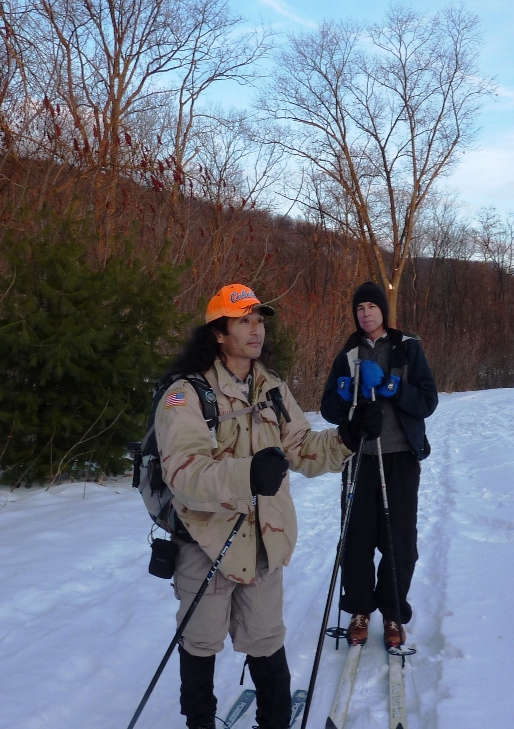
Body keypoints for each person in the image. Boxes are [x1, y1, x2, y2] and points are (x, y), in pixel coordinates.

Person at [154, 283, 383, 729]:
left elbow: (301, 447)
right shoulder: (186, 394)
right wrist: (246, 474)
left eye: (259, 320)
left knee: (266, 642)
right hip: (206, 542)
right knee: (199, 645)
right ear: (219, 332)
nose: (256, 330)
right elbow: (183, 473)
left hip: (264, 543)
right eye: (244, 320)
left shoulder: (272, 388)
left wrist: (348, 437)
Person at [320, 281, 438, 648]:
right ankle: (359, 609)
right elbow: (328, 409)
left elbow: (427, 402)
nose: (365, 313)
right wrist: (342, 397)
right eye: (359, 308)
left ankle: (391, 612)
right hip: (360, 459)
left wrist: (392, 387)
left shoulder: (407, 348)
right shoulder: (349, 354)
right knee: (356, 540)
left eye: (372, 306)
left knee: (398, 541)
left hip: (400, 457)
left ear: (384, 311)